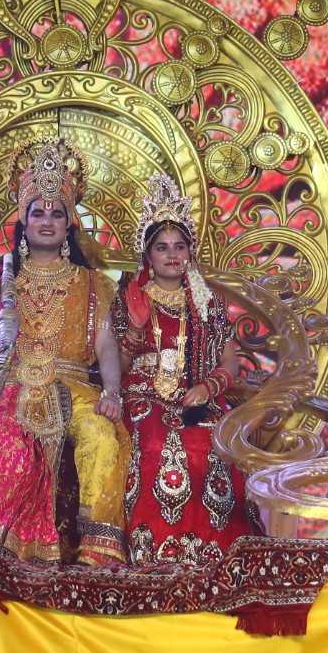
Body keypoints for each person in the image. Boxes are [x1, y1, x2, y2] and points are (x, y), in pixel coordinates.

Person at [0, 136, 129, 565]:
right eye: (37, 212)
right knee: (9, 443)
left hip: (75, 388)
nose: (47, 221)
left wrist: (112, 392)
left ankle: (97, 557)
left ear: (69, 224)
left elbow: (105, 345)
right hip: (11, 388)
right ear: (23, 220)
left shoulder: (93, 283)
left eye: (56, 213)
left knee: (101, 436)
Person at [110, 174, 257, 566]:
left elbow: (230, 360)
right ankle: (151, 555)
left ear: (191, 252)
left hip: (197, 393)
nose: (172, 255)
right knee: (157, 444)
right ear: (148, 255)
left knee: (212, 443)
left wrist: (210, 387)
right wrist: (135, 329)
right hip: (142, 395)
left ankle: (214, 557)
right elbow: (115, 368)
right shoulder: (129, 297)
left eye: (179, 246)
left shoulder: (208, 302)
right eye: (162, 247)